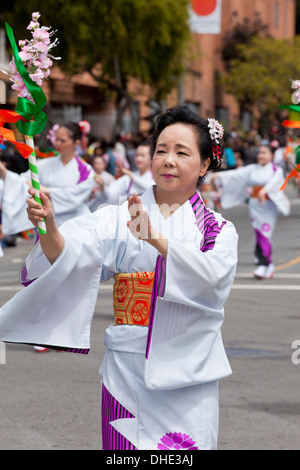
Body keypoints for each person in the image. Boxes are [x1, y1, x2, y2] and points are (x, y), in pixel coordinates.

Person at [0, 105, 238, 450]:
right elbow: (69, 253)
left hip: (188, 370)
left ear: (204, 164)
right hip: (125, 367)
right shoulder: (117, 216)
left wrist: (155, 238)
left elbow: (214, 280)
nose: (168, 160)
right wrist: (49, 225)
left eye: (181, 152)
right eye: (161, 150)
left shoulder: (216, 229)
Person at [0, 122, 95, 237]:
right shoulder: (45, 164)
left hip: (77, 226)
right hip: (49, 225)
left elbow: (74, 197)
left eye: (63, 140)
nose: (57, 143)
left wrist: (46, 191)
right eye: (57, 139)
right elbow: (21, 182)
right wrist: (3, 171)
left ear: (76, 143)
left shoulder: (85, 170)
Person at [211, 144, 290, 279]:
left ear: (271, 155)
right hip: (255, 205)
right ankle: (265, 264)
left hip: (267, 205)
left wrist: (264, 191)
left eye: (264, 153)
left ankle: (266, 264)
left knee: (264, 233)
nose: (261, 155)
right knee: (259, 233)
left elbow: (275, 182)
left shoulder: (275, 169)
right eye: (260, 153)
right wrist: (217, 175)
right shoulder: (252, 169)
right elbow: (236, 174)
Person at [96, 142, 154, 206]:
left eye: (142, 156)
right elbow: (110, 196)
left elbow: (152, 189)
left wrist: (130, 174)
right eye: (137, 155)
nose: (138, 159)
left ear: (152, 159)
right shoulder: (127, 177)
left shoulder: (155, 177)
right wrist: (102, 187)